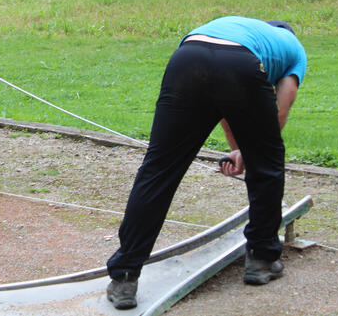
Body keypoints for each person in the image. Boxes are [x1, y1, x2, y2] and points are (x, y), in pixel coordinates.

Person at [105, 16, 307, 309]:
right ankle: (262, 259)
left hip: (188, 56)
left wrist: (239, 149)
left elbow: (224, 108)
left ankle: (124, 277)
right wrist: (252, 154)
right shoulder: (293, 48)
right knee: (268, 165)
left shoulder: (237, 28)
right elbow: (279, 111)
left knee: (159, 169)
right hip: (241, 65)